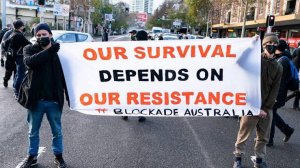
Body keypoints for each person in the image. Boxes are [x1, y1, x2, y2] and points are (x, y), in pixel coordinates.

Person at [16, 23, 69, 168]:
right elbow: (30, 63)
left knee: (57, 131)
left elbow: (66, 75)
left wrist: (71, 97)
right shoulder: (29, 49)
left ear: (50, 35)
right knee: (33, 131)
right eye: (38, 35)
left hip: (54, 100)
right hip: (36, 100)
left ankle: (58, 157)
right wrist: (49, 50)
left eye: (44, 34)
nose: (41, 37)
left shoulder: (60, 51)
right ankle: (32, 156)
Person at [233, 33, 282, 168]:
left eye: (274, 44)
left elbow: (274, 90)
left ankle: (259, 160)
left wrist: (265, 109)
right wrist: (250, 45)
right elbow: (239, 62)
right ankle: (238, 159)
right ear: (263, 45)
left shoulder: (278, 67)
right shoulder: (254, 60)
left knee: (263, 137)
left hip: (266, 109)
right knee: (243, 135)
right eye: (268, 44)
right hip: (250, 105)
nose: (271, 47)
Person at [267, 39, 295, 147]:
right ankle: (287, 130)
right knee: (272, 114)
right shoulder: (282, 58)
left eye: (274, 44)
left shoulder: (282, 61)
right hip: (278, 92)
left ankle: (270, 139)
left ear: (277, 48)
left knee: (271, 115)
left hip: (277, 93)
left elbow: (276, 79)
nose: (271, 46)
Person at [121, 30, 148, 122]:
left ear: (137, 38)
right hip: (144, 77)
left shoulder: (131, 47)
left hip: (130, 76)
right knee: (142, 96)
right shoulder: (150, 48)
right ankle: (141, 114)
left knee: (129, 95)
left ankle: (125, 113)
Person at [3, 20, 30, 97]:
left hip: (14, 57)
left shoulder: (13, 34)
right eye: (23, 25)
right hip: (19, 57)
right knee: (20, 74)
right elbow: (28, 44)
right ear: (20, 26)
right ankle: (17, 91)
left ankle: (15, 87)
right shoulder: (19, 35)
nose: (24, 26)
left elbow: (5, 43)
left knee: (18, 74)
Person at [292, 42, 300, 110]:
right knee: (298, 90)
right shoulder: (298, 51)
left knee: (297, 90)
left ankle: (296, 104)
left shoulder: (295, 50)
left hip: (295, 72)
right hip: (297, 73)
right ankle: (295, 105)